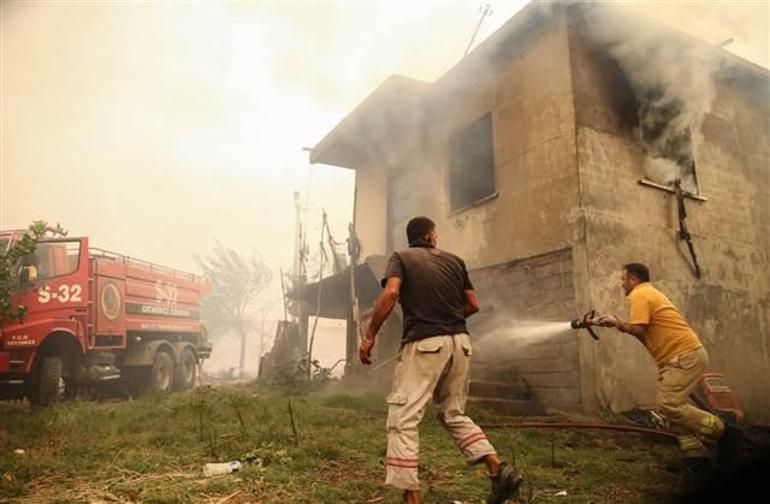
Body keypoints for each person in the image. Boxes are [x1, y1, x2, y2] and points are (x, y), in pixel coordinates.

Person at [358, 216, 522, 504]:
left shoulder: (401, 257)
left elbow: (392, 292)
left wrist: (370, 335)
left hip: (424, 344)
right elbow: (473, 304)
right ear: (432, 236)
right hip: (460, 343)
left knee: (404, 418)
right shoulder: (455, 261)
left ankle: (412, 497)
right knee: (453, 414)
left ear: (412, 238)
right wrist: (449, 318)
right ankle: (497, 468)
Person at [596, 263, 726, 460]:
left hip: (684, 355)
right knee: (674, 409)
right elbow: (643, 332)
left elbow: (639, 329)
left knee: (669, 405)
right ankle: (695, 454)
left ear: (633, 279)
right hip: (682, 356)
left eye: (623, 279)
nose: (621, 284)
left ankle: (720, 429)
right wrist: (617, 323)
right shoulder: (649, 293)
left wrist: (619, 324)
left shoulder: (640, 295)